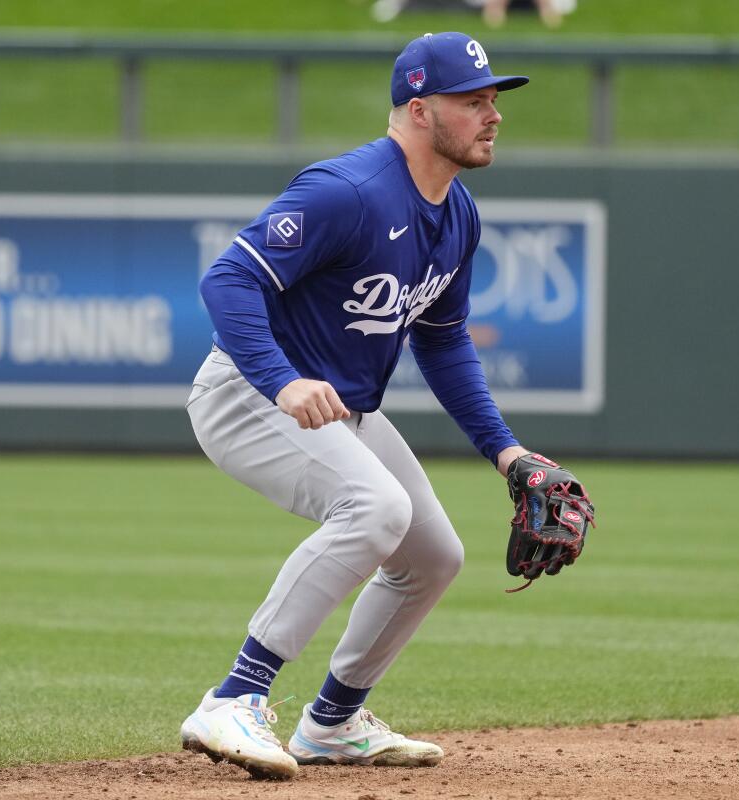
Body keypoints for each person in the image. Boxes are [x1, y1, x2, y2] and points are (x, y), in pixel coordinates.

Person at [178, 32, 533, 780]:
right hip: (247, 392)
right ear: (416, 109)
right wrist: (282, 381)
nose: (492, 114)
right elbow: (226, 282)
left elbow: (442, 344)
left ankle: (332, 722)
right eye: (472, 101)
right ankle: (234, 697)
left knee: (434, 556)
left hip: (340, 408)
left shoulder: (458, 215)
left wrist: (506, 452)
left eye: (493, 99)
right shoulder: (349, 190)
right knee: (374, 508)